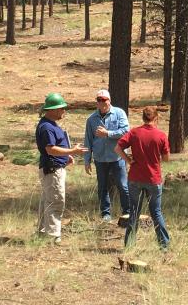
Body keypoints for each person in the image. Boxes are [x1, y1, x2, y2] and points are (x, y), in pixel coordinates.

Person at [114, 106, 170, 249]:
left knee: (134, 212)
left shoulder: (134, 133)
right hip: (153, 178)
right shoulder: (161, 135)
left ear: (143, 118)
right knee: (156, 212)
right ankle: (164, 245)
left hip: (135, 178)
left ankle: (129, 245)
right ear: (156, 118)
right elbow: (166, 158)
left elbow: (117, 148)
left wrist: (128, 160)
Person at [36, 93, 88, 244]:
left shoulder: (51, 125)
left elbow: (56, 148)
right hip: (52, 170)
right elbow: (50, 149)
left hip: (55, 167)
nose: (64, 111)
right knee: (56, 201)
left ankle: (43, 232)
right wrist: (73, 151)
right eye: (62, 108)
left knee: (48, 200)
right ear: (53, 110)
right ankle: (52, 236)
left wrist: (66, 157)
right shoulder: (46, 127)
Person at [83, 89, 131, 221]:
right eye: (99, 100)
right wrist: (87, 160)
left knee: (123, 186)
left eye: (104, 99)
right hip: (100, 158)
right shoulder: (91, 119)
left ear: (109, 101)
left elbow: (126, 132)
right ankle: (105, 214)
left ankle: (127, 212)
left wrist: (108, 133)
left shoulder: (119, 113)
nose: (102, 102)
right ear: (96, 103)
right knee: (102, 187)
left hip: (117, 158)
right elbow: (88, 140)